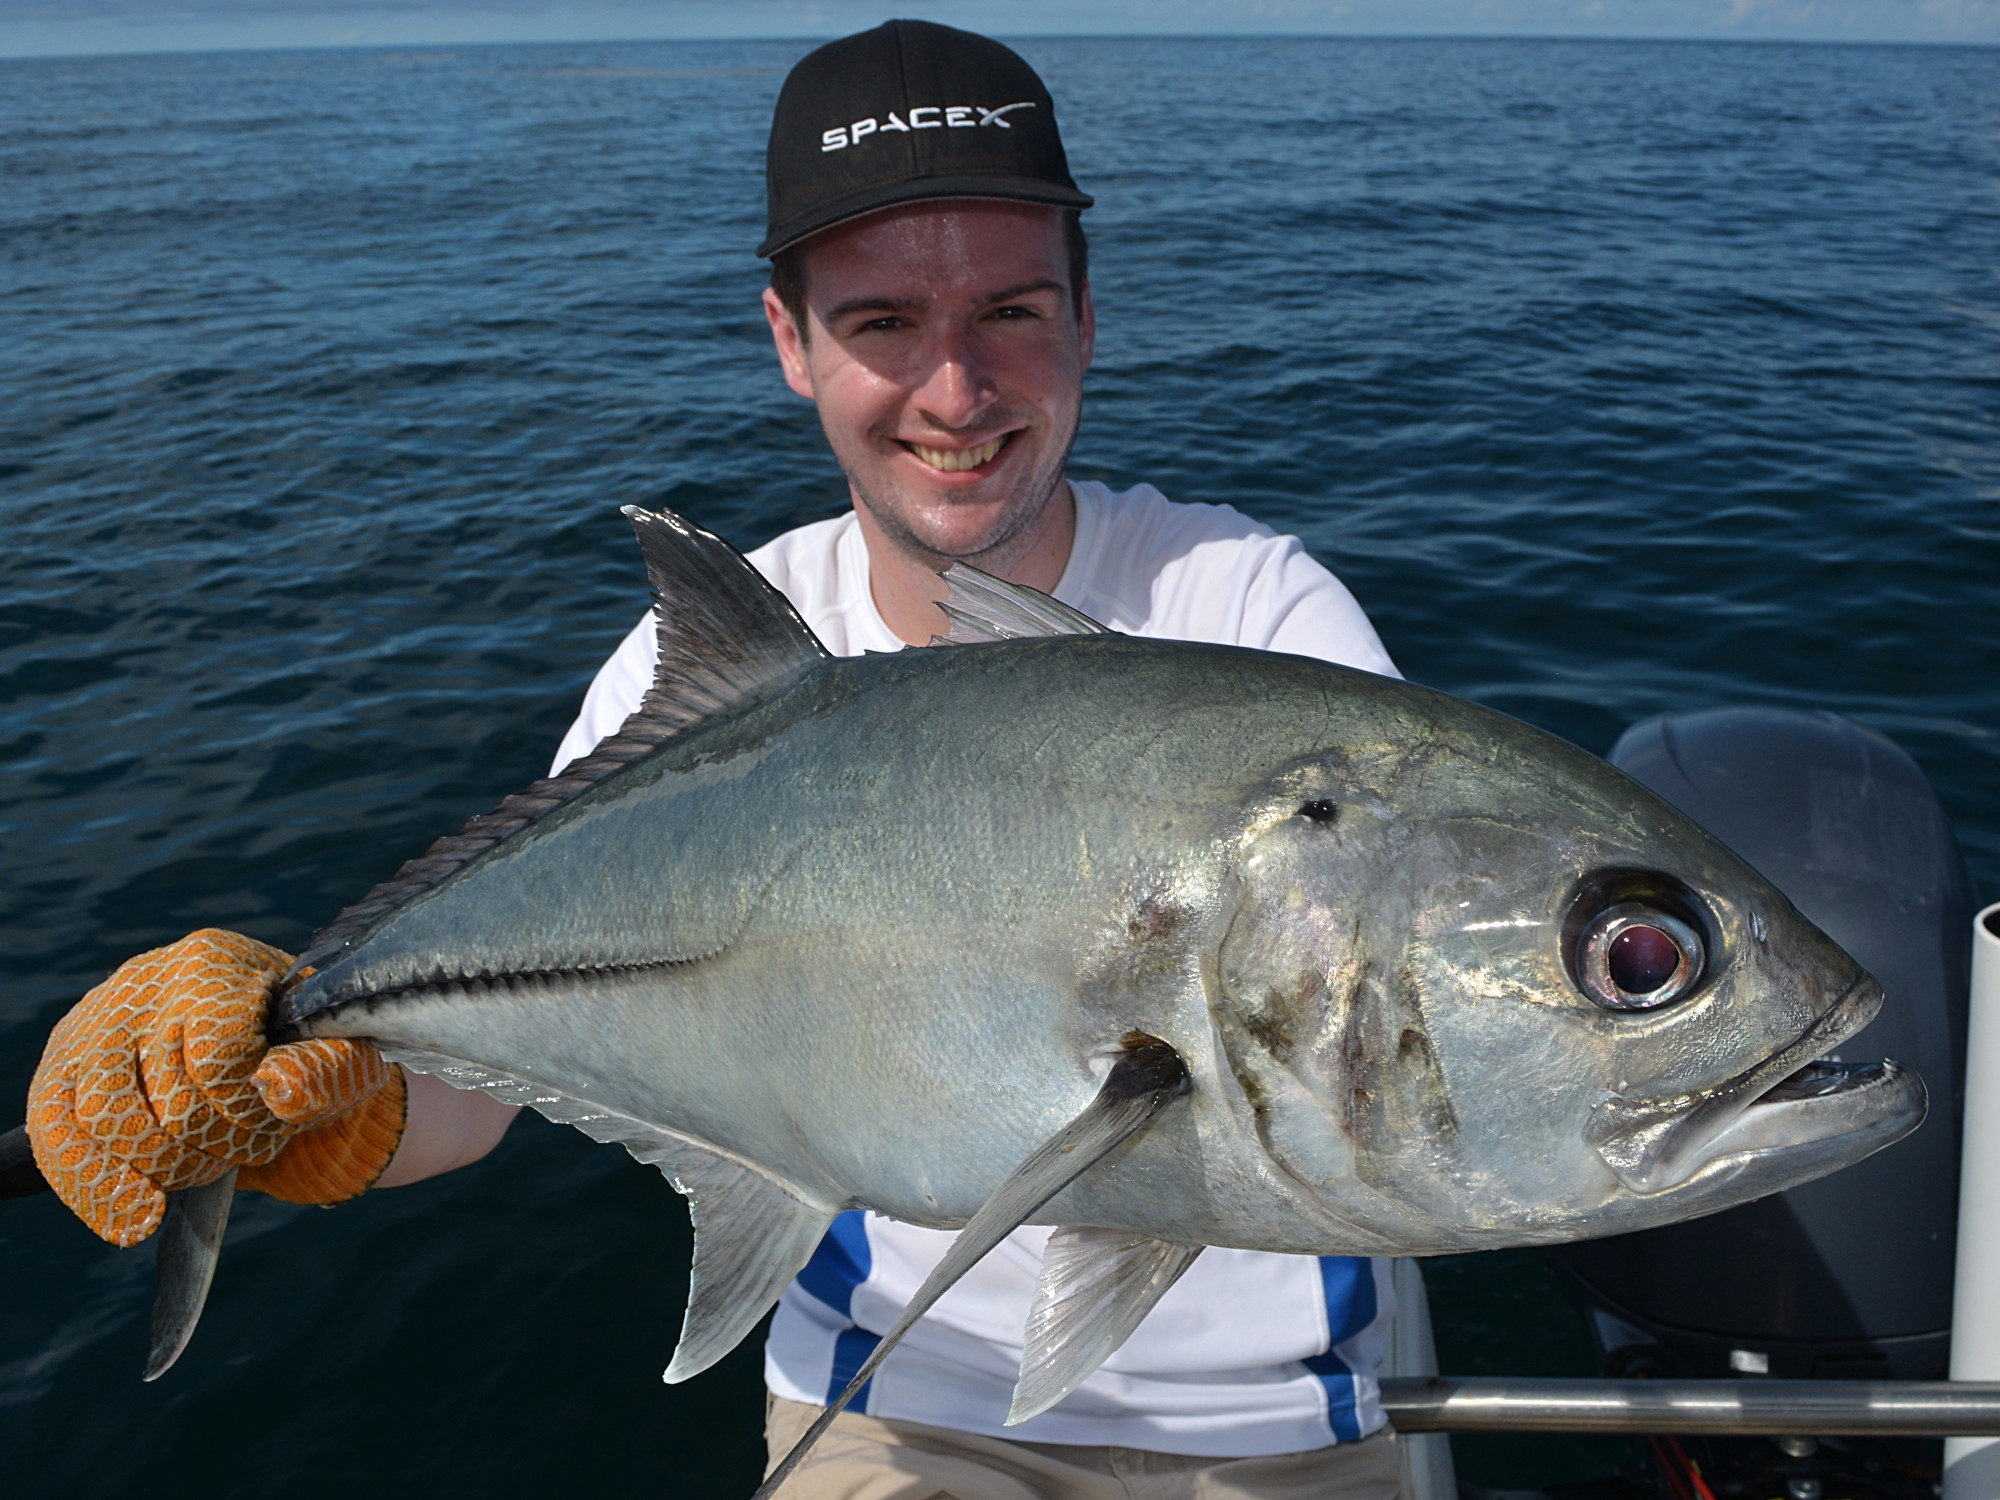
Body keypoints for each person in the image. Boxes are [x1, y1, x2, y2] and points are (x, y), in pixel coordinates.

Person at [26, 21, 1405, 1499]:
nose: (956, 391)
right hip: (888, 1406)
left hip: (1274, 1429)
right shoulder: (721, 667)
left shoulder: (1258, 620)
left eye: (1010, 309)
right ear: (788, 341)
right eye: (882, 324)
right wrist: (316, 1099)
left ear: (1086, 315)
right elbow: (473, 1096)